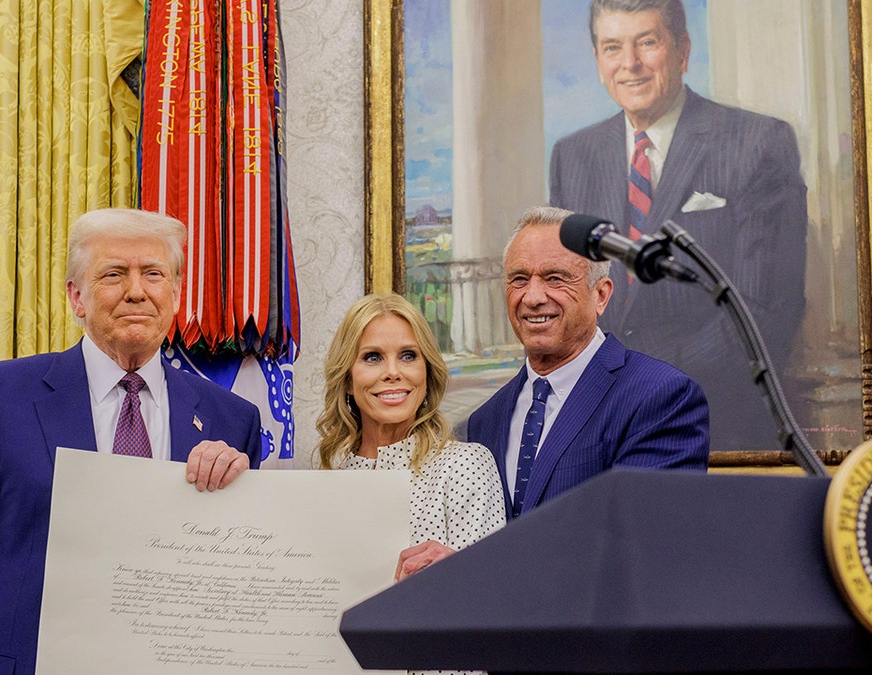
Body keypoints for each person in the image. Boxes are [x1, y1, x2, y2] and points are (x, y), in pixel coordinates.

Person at [0, 208, 264, 675]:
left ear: (174, 293)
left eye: (153, 274)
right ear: (77, 296)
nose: (137, 290)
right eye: (114, 274)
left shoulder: (232, 420)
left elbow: (241, 582)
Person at [549, 0, 809, 450]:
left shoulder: (757, 143)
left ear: (683, 51)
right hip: (597, 436)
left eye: (647, 42)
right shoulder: (573, 156)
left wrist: (632, 382)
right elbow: (568, 295)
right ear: (598, 62)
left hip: (714, 426)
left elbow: (764, 311)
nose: (629, 64)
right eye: (612, 47)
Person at [467, 206, 709, 520]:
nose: (532, 296)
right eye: (519, 279)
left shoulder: (661, 397)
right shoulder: (485, 421)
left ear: (601, 295)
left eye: (555, 278)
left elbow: (645, 539)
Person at [316, 293, 505, 582]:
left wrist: (456, 575)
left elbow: (490, 592)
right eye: (373, 357)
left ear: (427, 373)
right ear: (347, 381)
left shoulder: (465, 465)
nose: (392, 372)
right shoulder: (329, 476)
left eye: (408, 356)